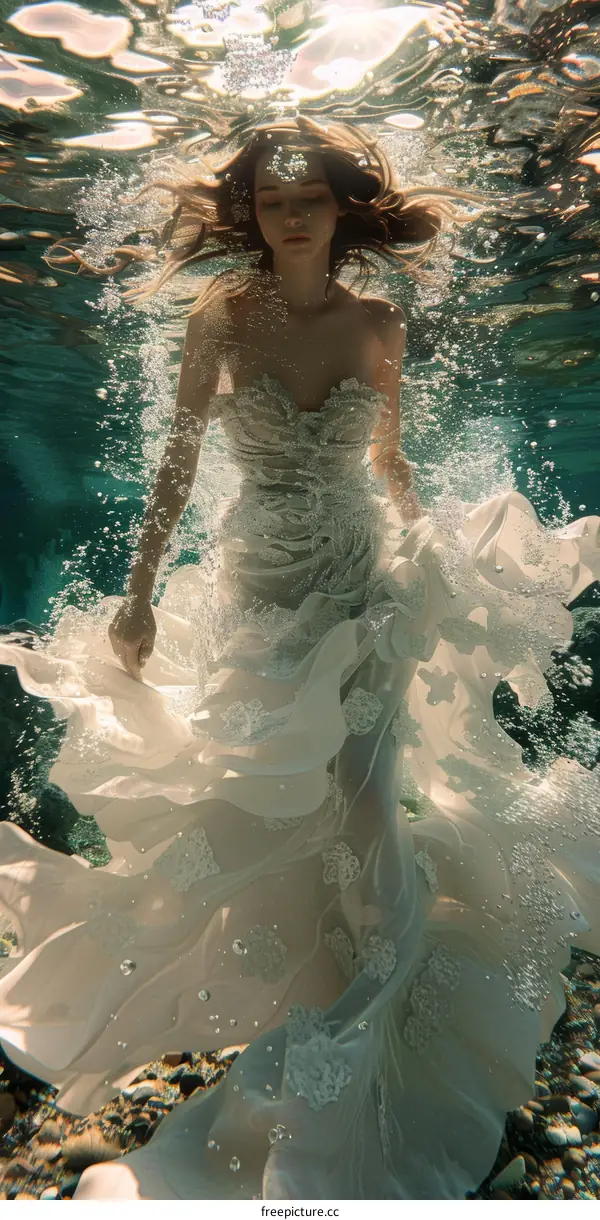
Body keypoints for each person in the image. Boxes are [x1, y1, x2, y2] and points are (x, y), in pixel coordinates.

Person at [0, 115, 599, 1202]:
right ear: (255, 215)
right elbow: (179, 460)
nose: (291, 214)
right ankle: (306, 994)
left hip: (364, 590)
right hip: (261, 601)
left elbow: (389, 455)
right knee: (279, 807)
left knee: (369, 803)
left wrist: (434, 555)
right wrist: (137, 593)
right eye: (274, 201)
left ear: (337, 210)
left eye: (309, 198)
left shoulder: (380, 318)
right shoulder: (221, 315)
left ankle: (372, 1023)